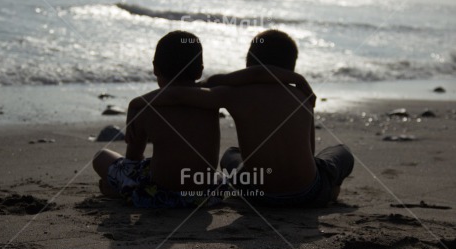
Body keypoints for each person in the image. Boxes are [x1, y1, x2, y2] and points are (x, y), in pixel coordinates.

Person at [92, 30, 312, 208]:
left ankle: (117, 190)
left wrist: (136, 102)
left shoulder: (153, 107)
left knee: (102, 156)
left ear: (154, 67)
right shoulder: (210, 99)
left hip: (160, 197)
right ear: (200, 71)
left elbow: (133, 160)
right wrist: (296, 79)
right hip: (206, 196)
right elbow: (258, 75)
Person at [153, 29, 354, 207]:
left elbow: (183, 91)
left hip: (258, 194)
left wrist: (141, 103)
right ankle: (330, 191)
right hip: (307, 193)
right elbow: (309, 153)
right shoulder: (303, 96)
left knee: (230, 156)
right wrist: (296, 79)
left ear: (248, 63)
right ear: (290, 67)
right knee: (342, 152)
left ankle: (326, 190)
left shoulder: (232, 94)